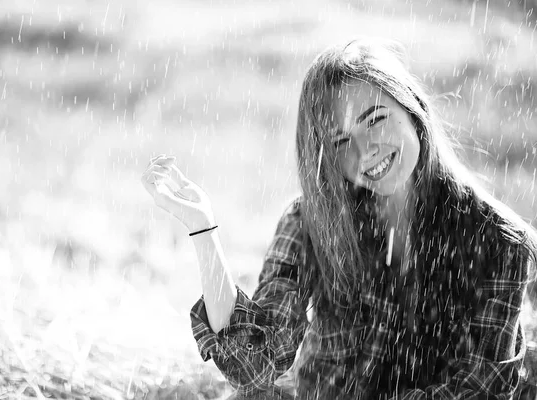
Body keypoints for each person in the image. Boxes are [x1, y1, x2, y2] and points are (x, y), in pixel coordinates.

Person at [141, 38, 537, 399]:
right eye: (341, 141)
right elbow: (253, 367)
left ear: (413, 108)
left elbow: (479, 392)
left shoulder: (500, 242)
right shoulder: (312, 219)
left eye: (375, 119)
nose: (364, 153)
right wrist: (202, 229)